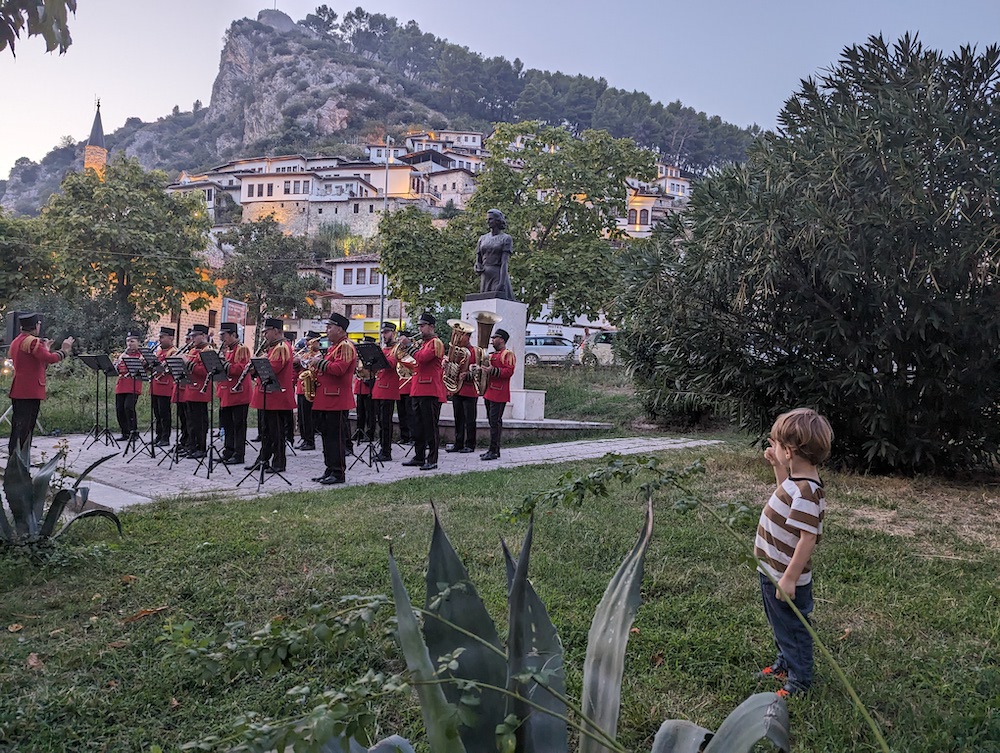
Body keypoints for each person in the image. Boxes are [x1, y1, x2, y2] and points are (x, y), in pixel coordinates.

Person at [755, 407, 833, 698]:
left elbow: (807, 538)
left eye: (776, 445)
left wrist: (789, 578)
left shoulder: (808, 491)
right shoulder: (796, 481)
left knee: (794, 628)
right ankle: (784, 664)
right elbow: (782, 496)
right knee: (780, 624)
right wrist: (777, 466)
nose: (773, 448)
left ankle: (800, 680)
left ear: (790, 451)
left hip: (786, 577)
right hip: (772, 570)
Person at [7, 313, 73, 456]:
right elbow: (50, 359)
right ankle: (20, 459)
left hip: (19, 387)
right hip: (30, 389)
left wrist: (45, 349)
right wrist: (65, 350)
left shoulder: (17, 341)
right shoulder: (33, 342)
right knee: (26, 427)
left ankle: (14, 456)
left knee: (18, 425)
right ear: (36, 326)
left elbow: (36, 362)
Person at [309, 313, 356, 485]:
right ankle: (329, 468)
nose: (326, 330)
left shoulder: (345, 346)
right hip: (327, 398)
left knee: (335, 439)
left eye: (330, 327)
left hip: (336, 398)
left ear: (340, 329)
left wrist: (318, 363)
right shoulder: (334, 347)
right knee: (327, 437)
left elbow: (339, 369)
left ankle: (338, 472)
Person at [247, 318, 295, 473]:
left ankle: (279, 463)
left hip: (277, 396)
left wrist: (258, 364)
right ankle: (263, 459)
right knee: (266, 430)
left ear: (276, 330)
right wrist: (254, 369)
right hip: (268, 395)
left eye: (267, 332)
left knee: (277, 431)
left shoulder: (282, 347)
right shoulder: (273, 348)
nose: (265, 335)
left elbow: (273, 368)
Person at [403, 312, 445, 471]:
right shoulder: (422, 343)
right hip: (417, 388)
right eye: (419, 326)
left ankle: (432, 458)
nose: (420, 329)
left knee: (430, 426)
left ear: (431, 326)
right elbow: (416, 363)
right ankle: (419, 456)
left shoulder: (436, 343)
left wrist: (408, 346)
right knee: (417, 425)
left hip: (430, 389)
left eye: (423, 326)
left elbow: (422, 358)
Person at [216, 322, 251, 465]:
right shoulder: (228, 349)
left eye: (224, 335)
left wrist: (223, 364)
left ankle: (239, 454)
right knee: (228, 424)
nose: (222, 338)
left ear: (233, 335)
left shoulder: (242, 349)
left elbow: (241, 369)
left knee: (238, 425)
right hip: (227, 392)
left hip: (239, 393)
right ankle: (228, 451)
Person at [481, 328, 516, 460]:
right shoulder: (491, 355)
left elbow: (508, 372)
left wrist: (492, 370)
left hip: (499, 392)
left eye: (494, 338)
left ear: (501, 339)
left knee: (495, 423)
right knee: (492, 422)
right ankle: (493, 449)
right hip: (489, 391)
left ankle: (494, 450)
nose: (492, 340)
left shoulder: (508, 354)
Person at [179, 324, 211, 458]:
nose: (192, 339)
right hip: (190, 390)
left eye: (194, 336)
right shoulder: (193, 351)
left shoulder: (207, 351)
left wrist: (186, 363)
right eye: (191, 336)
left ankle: (201, 448)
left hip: (200, 391)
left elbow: (204, 371)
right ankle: (191, 446)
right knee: (190, 421)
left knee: (199, 422)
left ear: (203, 336)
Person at [446, 326, 478, 454]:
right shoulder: (456, 351)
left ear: (468, 337)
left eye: (461, 336)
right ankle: (458, 443)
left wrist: (467, 375)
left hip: (469, 389)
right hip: (456, 389)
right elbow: (452, 366)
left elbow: (478, 371)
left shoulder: (474, 351)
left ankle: (470, 444)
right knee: (458, 417)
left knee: (469, 419)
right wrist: (446, 365)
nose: (457, 339)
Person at [372, 322, 401, 462]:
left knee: (386, 422)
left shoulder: (397, 348)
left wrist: (377, 355)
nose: (384, 335)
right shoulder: (383, 349)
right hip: (378, 388)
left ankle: (386, 451)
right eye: (383, 332)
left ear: (393, 333)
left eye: (387, 332)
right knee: (380, 422)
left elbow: (391, 363)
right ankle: (382, 449)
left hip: (389, 388)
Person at [474, 208, 514, 300]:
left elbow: (504, 263)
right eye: (487, 219)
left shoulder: (506, 238)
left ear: (497, 220)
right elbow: (478, 259)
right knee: (485, 303)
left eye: (490, 219)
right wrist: (477, 266)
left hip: (498, 274)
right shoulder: (482, 238)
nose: (488, 221)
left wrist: (502, 283)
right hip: (485, 275)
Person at [114, 333, 145, 441]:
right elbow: (117, 369)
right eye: (128, 341)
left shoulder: (141, 355)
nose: (129, 344)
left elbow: (140, 367)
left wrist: (126, 357)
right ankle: (125, 432)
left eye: (132, 341)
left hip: (133, 384)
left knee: (129, 408)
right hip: (121, 384)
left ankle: (134, 432)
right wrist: (117, 362)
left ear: (138, 343)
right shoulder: (123, 355)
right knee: (119, 409)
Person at [293, 331, 321, 451]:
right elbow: (298, 369)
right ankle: (305, 438)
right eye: (307, 340)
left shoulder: (319, 355)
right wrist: (296, 362)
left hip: (310, 388)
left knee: (308, 416)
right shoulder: (304, 354)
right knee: (302, 416)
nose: (307, 343)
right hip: (301, 387)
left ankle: (310, 441)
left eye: (310, 340)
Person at [150, 327, 176, 447]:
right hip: (156, 384)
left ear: (170, 338)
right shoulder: (159, 351)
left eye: (162, 337)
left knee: (164, 413)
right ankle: (158, 435)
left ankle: (165, 437)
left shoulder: (173, 352)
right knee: (157, 413)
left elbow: (171, 369)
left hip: (165, 385)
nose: (159, 340)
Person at [353, 336, 377, 443]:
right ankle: (359, 430)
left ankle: (369, 433)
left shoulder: (373, 357)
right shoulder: (360, 357)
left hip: (369, 385)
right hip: (360, 385)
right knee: (360, 412)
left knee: (369, 412)